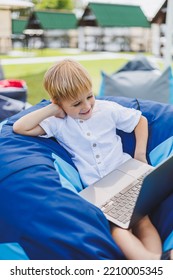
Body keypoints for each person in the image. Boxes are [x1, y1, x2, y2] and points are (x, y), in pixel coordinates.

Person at [13, 59, 173, 260]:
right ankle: (156, 261)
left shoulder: (107, 109)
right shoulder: (57, 123)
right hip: (98, 191)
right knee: (119, 228)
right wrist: (52, 109)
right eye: (77, 103)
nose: (87, 106)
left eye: (89, 96)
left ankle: (157, 260)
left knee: (142, 220)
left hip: (128, 175)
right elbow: (20, 128)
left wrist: (139, 155)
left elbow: (140, 120)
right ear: (58, 101)